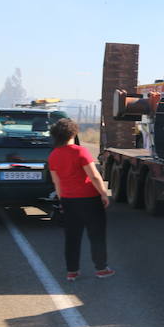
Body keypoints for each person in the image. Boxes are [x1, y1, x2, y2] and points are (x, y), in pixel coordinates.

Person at [48, 118, 115, 281]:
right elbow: (93, 175)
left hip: (69, 200)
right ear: (73, 132)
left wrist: (62, 199)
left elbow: (57, 182)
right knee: (96, 235)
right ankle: (101, 269)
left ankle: (72, 271)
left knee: (72, 237)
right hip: (89, 199)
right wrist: (104, 193)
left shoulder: (53, 155)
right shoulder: (80, 151)